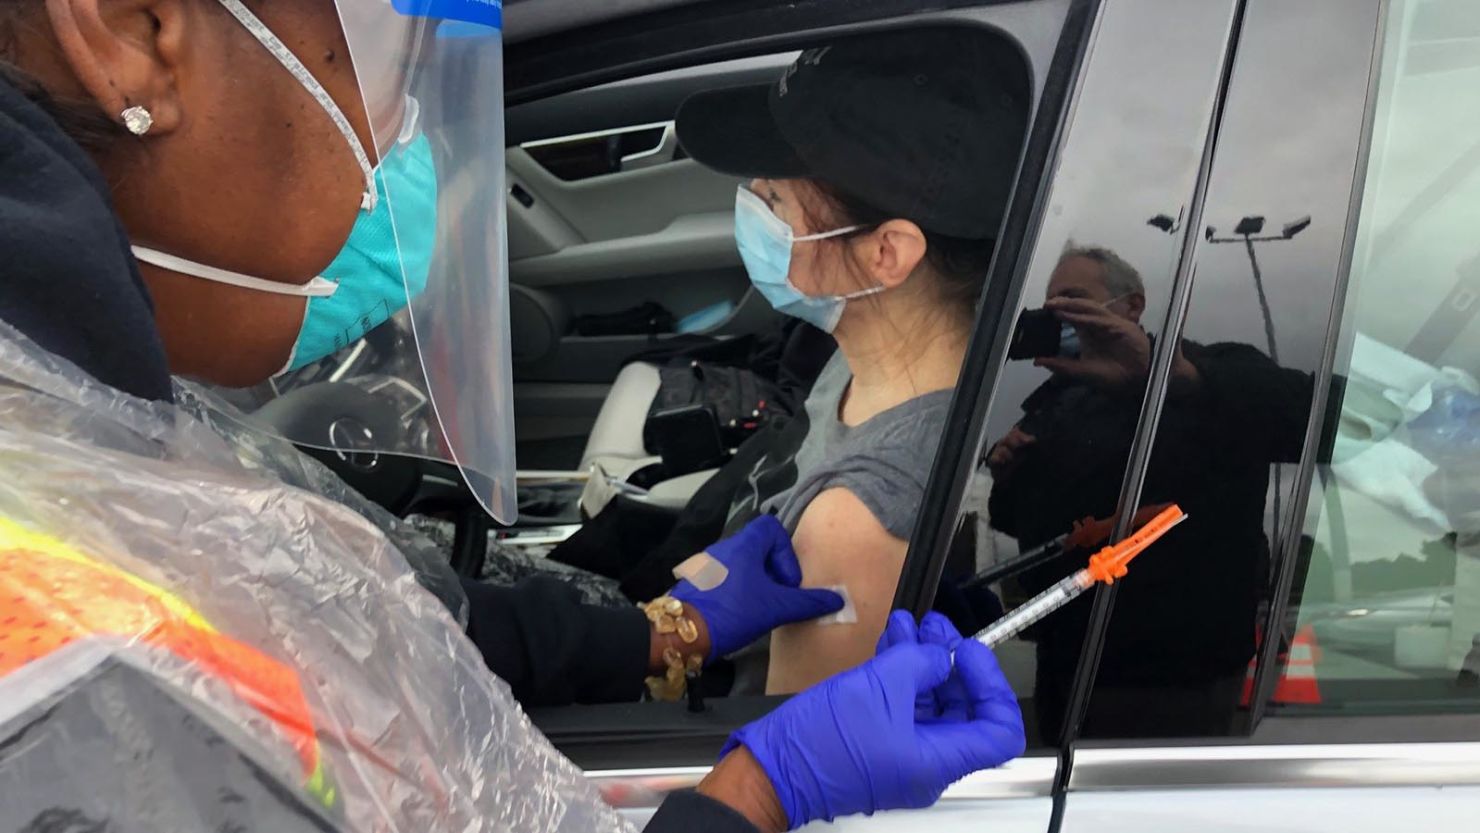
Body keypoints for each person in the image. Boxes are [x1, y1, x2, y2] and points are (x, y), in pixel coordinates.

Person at [0, 1, 1024, 830]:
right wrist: (750, 795)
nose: (401, 133)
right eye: (393, 57)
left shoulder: (80, 428)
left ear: (885, 254)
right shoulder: (67, 651)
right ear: (129, 28)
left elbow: (339, 627)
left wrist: (662, 633)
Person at [641, 30, 1030, 694]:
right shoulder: (862, 350)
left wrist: (663, 644)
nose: (750, 198)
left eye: (774, 199)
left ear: (887, 254)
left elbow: (783, 771)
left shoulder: (857, 521)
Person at [987, 244, 1311, 741]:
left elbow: (1320, 419)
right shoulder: (1054, 401)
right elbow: (1024, 527)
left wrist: (1171, 380)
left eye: (1074, 299)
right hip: (1066, 667)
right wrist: (1009, 472)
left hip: (1176, 680)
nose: (1058, 314)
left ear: (1130, 307)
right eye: (1050, 304)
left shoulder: (1212, 369)